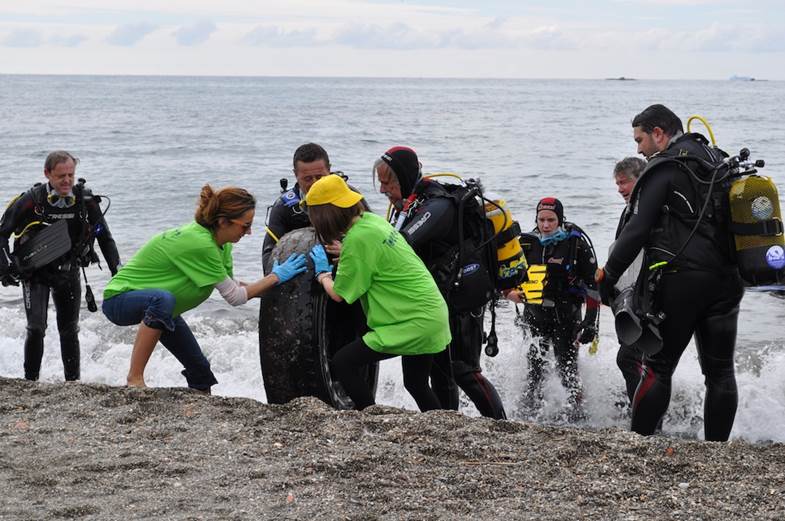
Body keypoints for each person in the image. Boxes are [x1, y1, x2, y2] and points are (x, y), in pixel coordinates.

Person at [597, 104, 744, 441]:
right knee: (720, 371)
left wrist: (609, 273)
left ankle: (638, 442)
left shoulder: (664, 167)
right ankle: (717, 449)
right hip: (727, 281)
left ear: (659, 133)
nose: (638, 149)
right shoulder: (716, 159)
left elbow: (637, 229)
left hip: (682, 282)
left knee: (658, 368)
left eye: (640, 140)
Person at [102, 185, 307, 391]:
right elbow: (235, 297)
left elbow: (232, 286)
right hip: (120, 300)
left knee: (201, 373)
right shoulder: (200, 243)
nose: (249, 232)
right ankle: (134, 378)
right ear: (223, 221)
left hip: (164, 311)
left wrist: (279, 285)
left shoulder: (222, 244)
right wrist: (274, 276)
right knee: (162, 300)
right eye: (245, 226)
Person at [373, 146, 507, 420]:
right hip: (436, 299)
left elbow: (402, 242)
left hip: (461, 299)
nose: (383, 191)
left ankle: (503, 426)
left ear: (405, 177)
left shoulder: (438, 205)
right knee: (436, 372)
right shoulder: (411, 204)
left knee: (464, 371)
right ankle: (448, 426)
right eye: (381, 183)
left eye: (388, 183)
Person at [305, 174, 449, 411]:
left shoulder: (358, 239)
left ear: (324, 215)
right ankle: (442, 429)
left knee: (343, 363)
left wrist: (323, 276)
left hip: (413, 321)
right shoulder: (371, 222)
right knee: (416, 383)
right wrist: (350, 253)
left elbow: (339, 294)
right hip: (431, 312)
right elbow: (377, 256)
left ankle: (371, 415)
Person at [0, 151, 120, 382]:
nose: (66, 181)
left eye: (71, 175)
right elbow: (2, 233)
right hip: (35, 273)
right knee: (36, 328)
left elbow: (105, 238)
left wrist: (117, 272)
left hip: (68, 271)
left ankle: (72, 382)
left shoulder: (85, 201)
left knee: (69, 330)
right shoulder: (31, 200)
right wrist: (4, 266)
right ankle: (30, 382)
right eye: (61, 176)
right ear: (47, 174)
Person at [513, 197, 599, 420]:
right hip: (534, 315)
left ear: (560, 220)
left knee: (567, 369)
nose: (546, 225)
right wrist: (510, 293)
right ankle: (529, 412)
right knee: (535, 368)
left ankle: (578, 414)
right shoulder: (527, 243)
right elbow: (509, 276)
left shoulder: (575, 244)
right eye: (541, 219)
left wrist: (590, 322)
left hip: (566, 317)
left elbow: (592, 286)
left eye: (551, 220)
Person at [611, 157, 647, 405]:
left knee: (628, 358)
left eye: (624, 182)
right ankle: (640, 408)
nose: (620, 189)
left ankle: (644, 415)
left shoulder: (648, 210)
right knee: (637, 359)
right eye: (617, 183)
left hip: (649, 297)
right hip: (631, 297)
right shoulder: (629, 211)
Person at [262, 143, 331, 270]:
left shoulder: (349, 199)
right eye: (308, 179)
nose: (315, 184)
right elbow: (268, 254)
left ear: (329, 170)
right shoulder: (284, 207)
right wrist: (275, 275)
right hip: (300, 272)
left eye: (320, 177)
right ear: (296, 175)